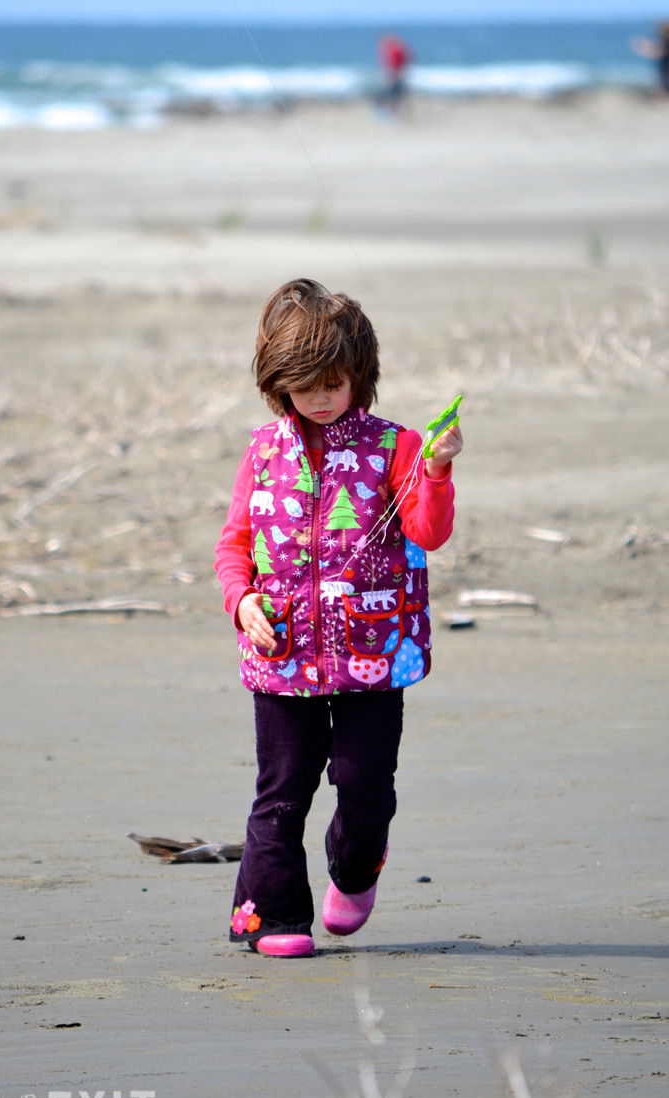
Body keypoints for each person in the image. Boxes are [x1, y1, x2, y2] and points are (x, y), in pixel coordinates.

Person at [214, 279, 462, 958]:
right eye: (305, 385)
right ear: (278, 384)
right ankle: (273, 913)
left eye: (335, 381)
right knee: (281, 792)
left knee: (364, 784)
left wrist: (436, 471)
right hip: (283, 656)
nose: (322, 397)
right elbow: (234, 545)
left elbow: (429, 532)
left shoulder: (395, 446)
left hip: (373, 656)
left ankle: (355, 869)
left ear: (360, 374)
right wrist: (242, 602)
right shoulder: (263, 453)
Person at [631, 22, 669, 97]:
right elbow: (656, 47)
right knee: (665, 87)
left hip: (667, 69)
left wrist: (642, 49)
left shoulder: (668, 42)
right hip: (667, 68)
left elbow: (658, 53)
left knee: (665, 87)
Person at [377, 33, 414, 115]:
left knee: (394, 96)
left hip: (395, 76)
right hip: (396, 75)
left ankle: (395, 114)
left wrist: (396, 74)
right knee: (396, 96)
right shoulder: (395, 50)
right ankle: (396, 113)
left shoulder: (395, 50)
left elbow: (396, 64)